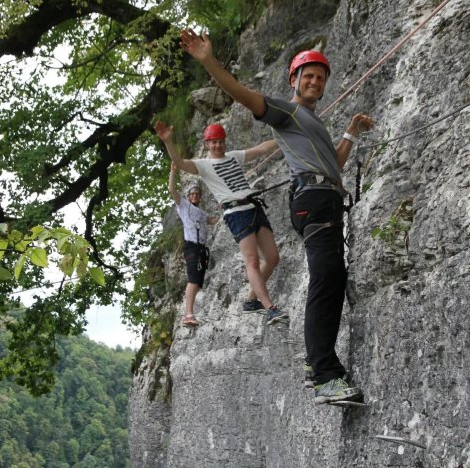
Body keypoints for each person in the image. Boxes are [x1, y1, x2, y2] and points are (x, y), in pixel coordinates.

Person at [179, 28, 374, 404]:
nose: (315, 81)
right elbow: (242, 94)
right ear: (294, 80)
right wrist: (208, 62)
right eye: (309, 76)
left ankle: (318, 366)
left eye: (321, 77)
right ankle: (323, 373)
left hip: (323, 194)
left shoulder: (311, 123)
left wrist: (349, 132)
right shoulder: (287, 112)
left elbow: (333, 165)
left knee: (331, 276)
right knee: (326, 278)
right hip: (314, 199)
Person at [155, 120, 288, 325]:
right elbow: (180, 163)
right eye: (213, 142)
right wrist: (168, 142)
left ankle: (251, 301)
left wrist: (282, 137)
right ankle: (270, 308)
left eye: (220, 141)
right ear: (207, 143)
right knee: (251, 260)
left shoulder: (234, 157)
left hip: (253, 207)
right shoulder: (204, 166)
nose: (218, 145)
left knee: (272, 257)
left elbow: (260, 149)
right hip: (235, 213)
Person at [168, 162, 219, 327]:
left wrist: (224, 206)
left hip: (201, 249)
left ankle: (190, 312)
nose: (195, 196)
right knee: (193, 279)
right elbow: (171, 190)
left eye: (198, 194)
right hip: (191, 246)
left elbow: (212, 221)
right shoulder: (183, 206)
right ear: (188, 196)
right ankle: (188, 314)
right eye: (192, 194)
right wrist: (173, 172)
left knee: (197, 281)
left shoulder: (201, 212)